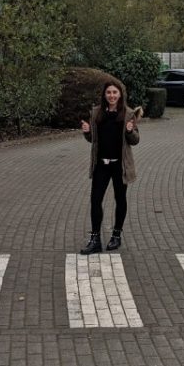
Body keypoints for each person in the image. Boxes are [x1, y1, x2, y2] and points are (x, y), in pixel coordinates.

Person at [79, 81, 140, 254]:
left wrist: (130, 131)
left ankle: (116, 235)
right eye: (109, 92)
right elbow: (93, 139)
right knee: (95, 200)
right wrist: (87, 132)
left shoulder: (128, 113)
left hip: (120, 165)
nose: (112, 96)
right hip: (101, 165)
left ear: (120, 95)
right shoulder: (96, 113)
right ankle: (95, 239)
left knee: (120, 200)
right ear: (104, 95)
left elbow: (135, 140)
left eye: (115, 92)